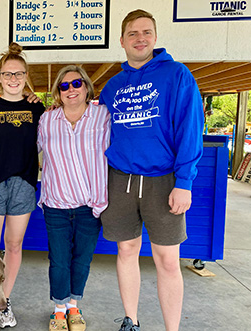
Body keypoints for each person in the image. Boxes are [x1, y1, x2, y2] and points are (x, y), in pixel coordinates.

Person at [99, 10, 204, 331]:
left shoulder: (177, 75)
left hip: (164, 181)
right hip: (120, 181)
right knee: (126, 250)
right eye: (132, 33)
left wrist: (184, 181)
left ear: (155, 38)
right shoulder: (112, 86)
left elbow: (191, 129)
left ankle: (172, 328)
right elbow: (96, 129)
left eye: (146, 32)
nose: (139, 38)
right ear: (122, 40)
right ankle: (131, 320)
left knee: (168, 260)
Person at [0, 42, 45, 331]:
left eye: (19, 74)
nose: (13, 79)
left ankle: (4, 302)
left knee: (13, 246)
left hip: (24, 185)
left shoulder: (35, 109)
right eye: (7, 74)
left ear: (26, 76)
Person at [37, 65, 111, 331]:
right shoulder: (47, 120)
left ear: (87, 87)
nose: (71, 89)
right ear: (58, 91)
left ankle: (73, 306)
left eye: (76, 84)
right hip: (56, 203)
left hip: (90, 205)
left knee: (82, 259)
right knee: (58, 259)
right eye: (64, 86)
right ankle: (58, 309)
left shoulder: (103, 116)